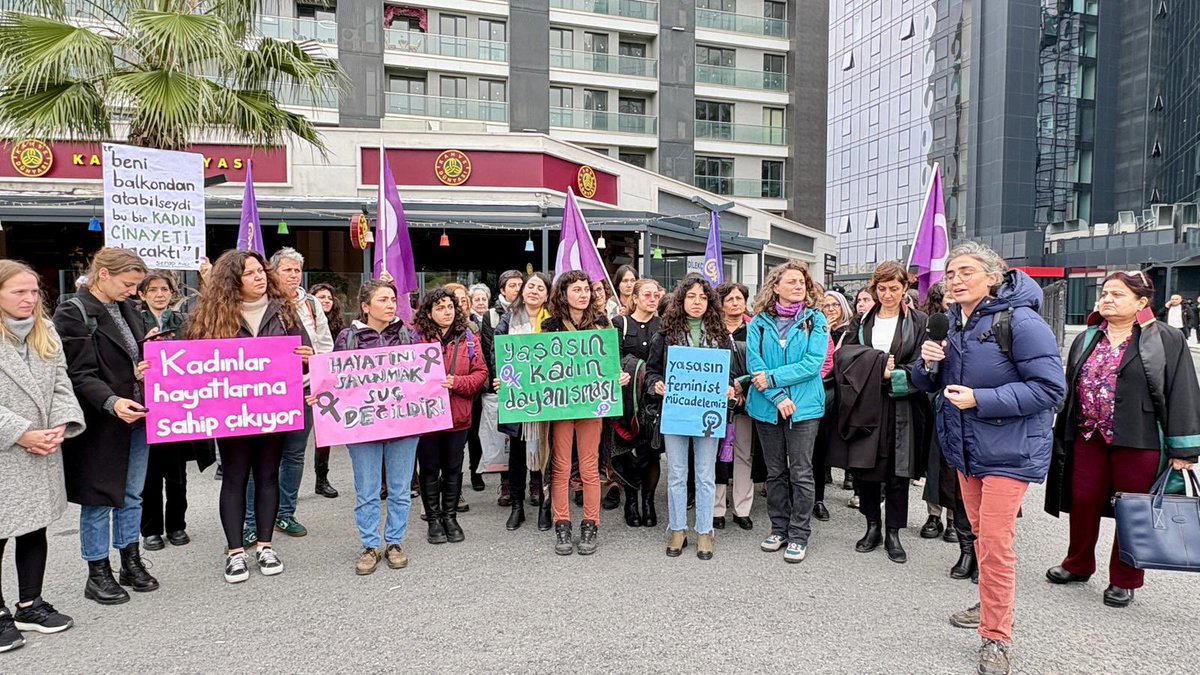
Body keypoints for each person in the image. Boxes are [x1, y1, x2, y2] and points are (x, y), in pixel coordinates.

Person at [912, 242, 1066, 675]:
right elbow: (930, 384)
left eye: (965, 271)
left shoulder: (1022, 321)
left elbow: (1051, 391)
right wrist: (927, 364)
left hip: (1009, 451)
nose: (955, 279)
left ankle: (995, 638)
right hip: (965, 450)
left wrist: (980, 398)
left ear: (992, 276)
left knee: (996, 544)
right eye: (950, 273)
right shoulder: (951, 324)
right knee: (982, 535)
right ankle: (990, 604)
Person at [1044, 271, 1200, 608]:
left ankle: (1125, 579)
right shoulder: (1086, 337)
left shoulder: (1165, 338)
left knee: (1133, 509)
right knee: (1083, 499)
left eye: (1117, 294)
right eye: (1105, 293)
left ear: (1141, 302)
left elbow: (1183, 392)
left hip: (1139, 439)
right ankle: (1078, 564)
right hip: (1089, 435)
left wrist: (1184, 450)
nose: (1107, 299)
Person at [184, 249, 314, 584]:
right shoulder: (210, 316)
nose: (259, 277)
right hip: (231, 414)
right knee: (235, 477)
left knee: (269, 476)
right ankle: (235, 552)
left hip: (274, 410)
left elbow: (306, 352)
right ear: (232, 281)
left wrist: (306, 357)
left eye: (261, 271)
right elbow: (188, 362)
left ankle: (265, 545)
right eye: (250, 273)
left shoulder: (285, 311)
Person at [53, 248, 158, 605]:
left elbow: (133, 359)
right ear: (103, 275)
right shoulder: (73, 312)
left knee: (132, 494)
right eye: (128, 284)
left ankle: (130, 559)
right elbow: (78, 374)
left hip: (138, 413)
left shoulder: (130, 308)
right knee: (99, 499)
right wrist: (112, 402)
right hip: (101, 419)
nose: (133, 291)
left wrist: (144, 365)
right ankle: (97, 572)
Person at [0, 260, 85, 649]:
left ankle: (30, 603)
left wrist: (62, 425)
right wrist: (20, 434)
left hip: (43, 447)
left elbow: (61, 384)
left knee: (35, 527)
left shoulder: (43, 330)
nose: (29, 299)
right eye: (19, 291)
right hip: (8, 450)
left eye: (34, 291)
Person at [832, 261, 930, 564]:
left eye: (895, 288)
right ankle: (872, 525)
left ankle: (893, 532)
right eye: (882, 289)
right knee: (866, 469)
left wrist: (894, 374)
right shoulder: (861, 322)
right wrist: (875, 366)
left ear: (904, 288)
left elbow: (924, 364)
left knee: (898, 472)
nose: (888, 295)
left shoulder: (920, 321)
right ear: (875, 289)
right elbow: (844, 357)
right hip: (866, 403)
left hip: (902, 405)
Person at [331, 279, 423, 574]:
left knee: (399, 489)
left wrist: (437, 383)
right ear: (365, 306)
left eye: (393, 299)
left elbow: (422, 375)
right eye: (383, 299)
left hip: (404, 425)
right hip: (363, 427)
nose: (390, 304)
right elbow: (336, 379)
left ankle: (394, 542)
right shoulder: (347, 338)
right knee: (367, 490)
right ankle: (370, 545)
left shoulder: (409, 335)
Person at [242, 248, 333, 543]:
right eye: (287, 271)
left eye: (297, 271)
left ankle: (285, 512)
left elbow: (324, 344)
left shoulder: (310, 305)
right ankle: (250, 521)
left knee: (294, 455)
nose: (293, 276)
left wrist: (313, 359)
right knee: (259, 459)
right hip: (263, 395)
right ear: (273, 272)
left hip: (302, 390)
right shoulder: (260, 303)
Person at [646, 275, 736, 559]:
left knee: (705, 475)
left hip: (708, 413)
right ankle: (677, 528)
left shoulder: (721, 335)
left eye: (702, 297)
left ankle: (705, 530)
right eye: (691, 296)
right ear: (680, 300)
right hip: (676, 412)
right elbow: (651, 371)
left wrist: (730, 387)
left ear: (709, 302)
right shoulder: (664, 333)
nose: (697, 302)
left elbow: (731, 374)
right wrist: (655, 384)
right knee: (677, 473)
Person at [539, 271, 630, 555]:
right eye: (576, 289)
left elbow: (610, 363)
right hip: (561, 406)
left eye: (586, 289)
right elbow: (537, 365)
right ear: (563, 294)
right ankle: (562, 524)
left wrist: (619, 377)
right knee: (561, 467)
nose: (583, 294)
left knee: (591, 468)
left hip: (592, 405)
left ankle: (591, 524)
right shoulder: (549, 326)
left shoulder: (602, 324)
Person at [746, 260, 829, 563]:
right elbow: (755, 366)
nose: (798, 286)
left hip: (805, 408)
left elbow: (813, 363)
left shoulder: (816, 320)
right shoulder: (757, 323)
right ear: (775, 287)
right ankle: (778, 528)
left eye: (802, 282)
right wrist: (778, 395)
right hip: (767, 406)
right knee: (775, 471)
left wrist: (774, 379)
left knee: (801, 472)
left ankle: (799, 534)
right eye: (791, 281)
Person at [138, 272, 212, 552]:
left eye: (164, 289)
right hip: (146, 407)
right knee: (150, 474)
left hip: (177, 407)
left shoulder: (183, 323)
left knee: (177, 472)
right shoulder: (135, 322)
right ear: (142, 294)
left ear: (172, 294)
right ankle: (151, 529)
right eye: (153, 290)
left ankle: (177, 525)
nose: (159, 294)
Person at [413, 289, 487, 545]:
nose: (446, 312)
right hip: (427, 416)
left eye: (449, 307)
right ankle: (433, 519)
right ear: (429, 312)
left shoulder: (468, 337)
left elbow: (480, 373)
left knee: (453, 467)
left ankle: (450, 516)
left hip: (458, 414)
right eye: (440, 307)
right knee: (430, 467)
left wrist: (457, 383)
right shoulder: (416, 337)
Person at [493, 273, 552, 531]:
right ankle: (517, 506)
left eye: (541, 288)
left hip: (549, 400)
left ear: (548, 294)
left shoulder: (554, 322)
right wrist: (501, 378)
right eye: (531, 286)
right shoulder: (507, 319)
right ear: (522, 291)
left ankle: (545, 506)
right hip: (518, 398)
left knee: (548, 453)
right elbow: (498, 353)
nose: (534, 291)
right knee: (517, 454)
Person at [612, 278, 663, 528]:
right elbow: (611, 357)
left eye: (656, 295)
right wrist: (617, 372)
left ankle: (648, 501)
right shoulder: (619, 324)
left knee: (651, 452)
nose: (652, 299)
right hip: (626, 401)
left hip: (653, 401)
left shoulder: (664, 327)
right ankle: (631, 499)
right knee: (625, 452)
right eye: (647, 295)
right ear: (634, 298)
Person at [714, 281, 760, 531]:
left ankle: (742, 509)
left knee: (744, 453)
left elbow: (760, 364)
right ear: (721, 303)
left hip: (747, 401)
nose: (735, 303)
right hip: (716, 403)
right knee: (716, 455)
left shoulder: (755, 330)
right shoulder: (713, 330)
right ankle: (716, 508)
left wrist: (743, 388)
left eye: (739, 299)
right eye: (730, 299)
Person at [815, 290, 853, 514]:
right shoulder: (817, 329)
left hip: (840, 395)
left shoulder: (849, 332)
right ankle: (817, 498)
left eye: (834, 305)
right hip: (819, 392)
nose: (830, 309)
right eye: (826, 306)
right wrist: (824, 330)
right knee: (816, 448)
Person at [308, 283, 344, 499]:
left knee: (324, 435)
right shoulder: (306, 324)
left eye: (329, 297)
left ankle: (322, 479)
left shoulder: (339, 326)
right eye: (321, 297)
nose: (326, 300)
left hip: (329, 385)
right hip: (306, 381)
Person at [466, 282, 495, 493]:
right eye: (477, 299)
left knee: (478, 432)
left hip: (481, 384)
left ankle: (477, 471)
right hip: (465, 384)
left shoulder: (492, 319)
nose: (481, 302)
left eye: (484, 299)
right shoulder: (468, 324)